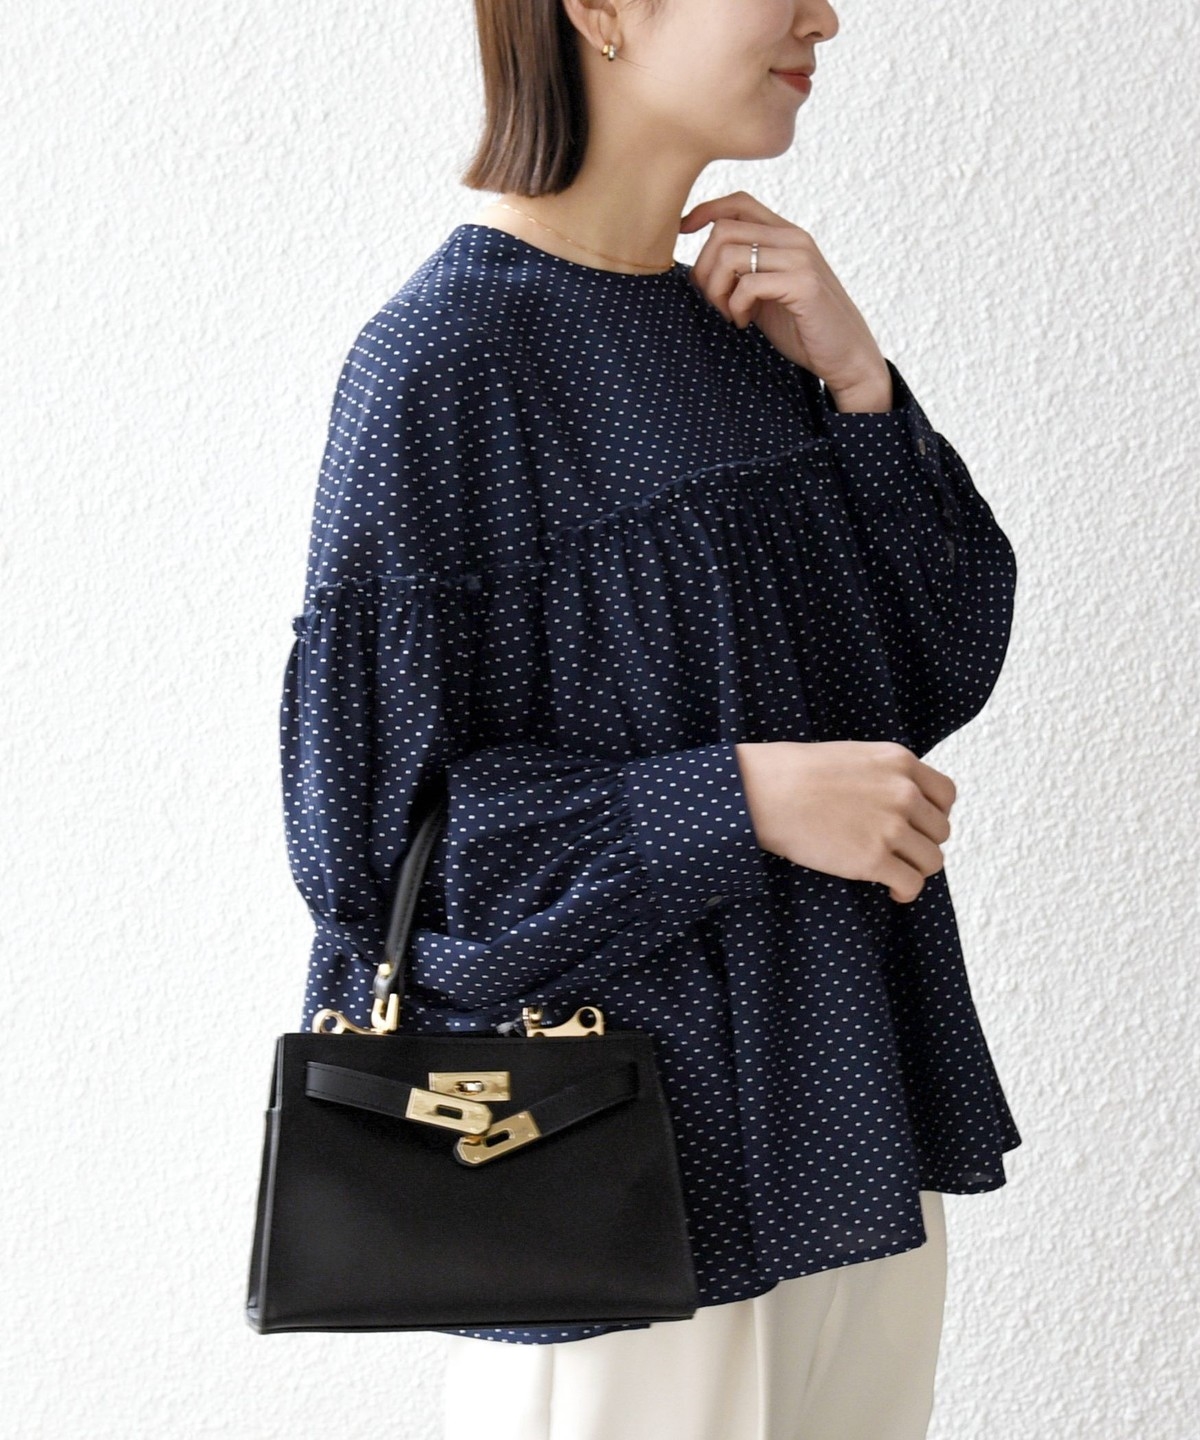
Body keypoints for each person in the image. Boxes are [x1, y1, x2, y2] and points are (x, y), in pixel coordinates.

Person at [279, 1, 1022, 1436]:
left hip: (852, 1147)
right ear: (603, 9)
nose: (823, 15)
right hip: (610, 1194)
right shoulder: (444, 365)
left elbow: (937, 663)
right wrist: (737, 803)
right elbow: (367, 850)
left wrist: (860, 391)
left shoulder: (749, 337)